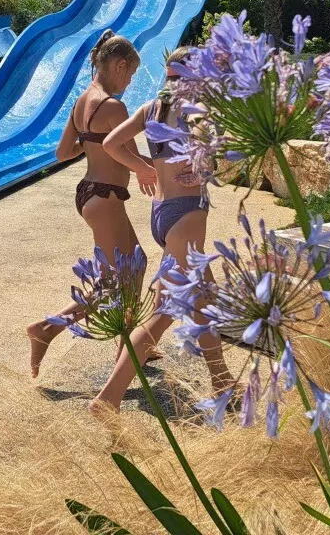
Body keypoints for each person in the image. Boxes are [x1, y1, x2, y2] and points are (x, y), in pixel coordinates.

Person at [90, 49, 232, 415]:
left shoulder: (152, 107)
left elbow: (111, 143)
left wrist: (145, 169)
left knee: (204, 301)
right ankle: (108, 398)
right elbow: (215, 148)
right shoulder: (193, 108)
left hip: (163, 214)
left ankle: (222, 380)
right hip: (186, 215)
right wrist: (206, 162)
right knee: (168, 311)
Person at [28, 31, 155, 378]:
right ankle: (47, 329)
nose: (128, 83)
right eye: (129, 75)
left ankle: (127, 344)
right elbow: (122, 151)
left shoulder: (82, 101)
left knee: (136, 264)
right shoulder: (113, 106)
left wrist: (95, 143)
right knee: (114, 282)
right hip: (106, 196)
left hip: (90, 193)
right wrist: (146, 166)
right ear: (119, 65)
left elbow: (63, 152)